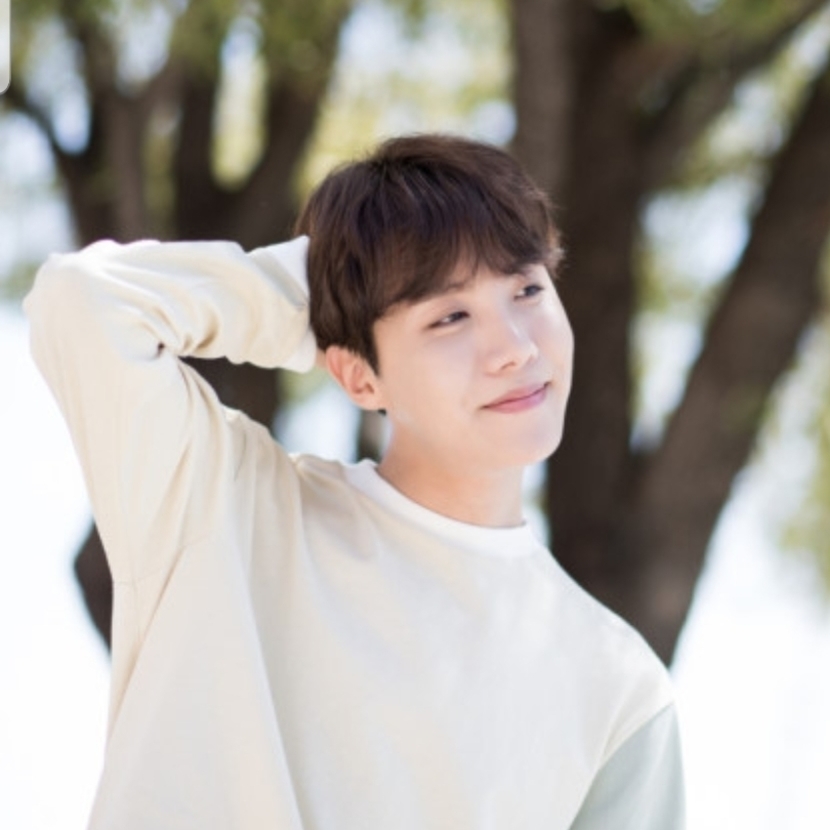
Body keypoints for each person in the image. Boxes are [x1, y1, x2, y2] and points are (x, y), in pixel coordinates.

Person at [25, 134, 685, 829]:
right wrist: (321, 296)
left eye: (527, 289)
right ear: (358, 376)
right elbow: (82, 302)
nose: (516, 349)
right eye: (450, 315)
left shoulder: (619, 687)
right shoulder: (227, 507)